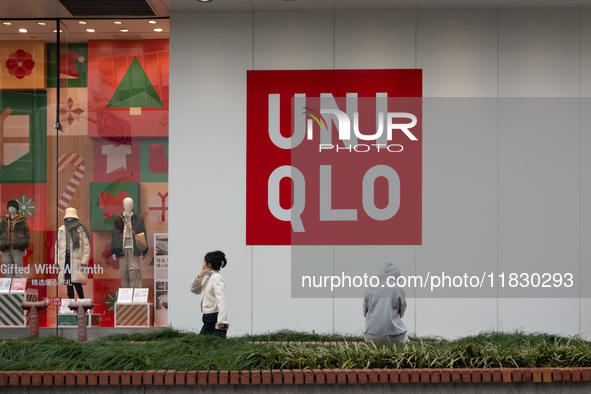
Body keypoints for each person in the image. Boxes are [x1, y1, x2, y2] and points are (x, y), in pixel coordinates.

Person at [363, 262, 409, 344]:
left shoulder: (369, 288)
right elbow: (401, 311)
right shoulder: (398, 289)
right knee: (404, 339)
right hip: (395, 337)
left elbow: (365, 312)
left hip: (370, 336)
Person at [110, 197, 147, 288]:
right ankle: (126, 296)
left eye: (130, 203)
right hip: (122, 250)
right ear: (123, 205)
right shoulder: (118, 220)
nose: (128, 205)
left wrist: (144, 250)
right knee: (124, 272)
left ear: (132, 205)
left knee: (135, 271)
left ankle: (136, 297)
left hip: (134, 249)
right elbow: (115, 236)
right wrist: (114, 251)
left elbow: (142, 234)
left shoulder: (138, 219)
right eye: (126, 203)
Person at [190, 250, 229, 337]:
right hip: (209, 316)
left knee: (204, 341)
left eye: (204, 262)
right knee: (215, 342)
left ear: (209, 265)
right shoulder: (209, 278)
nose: (202, 265)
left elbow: (221, 299)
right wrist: (199, 276)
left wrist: (222, 320)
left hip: (213, 316)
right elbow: (194, 290)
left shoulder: (216, 278)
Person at [56, 207, 90, 299]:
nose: (69, 218)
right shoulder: (62, 229)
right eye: (68, 216)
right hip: (65, 258)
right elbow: (58, 247)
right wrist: (57, 261)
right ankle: (70, 302)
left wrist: (84, 261)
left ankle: (82, 301)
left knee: (76, 282)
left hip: (76, 259)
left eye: (71, 216)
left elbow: (86, 246)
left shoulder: (81, 229)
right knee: (68, 282)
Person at [0, 200, 30, 278]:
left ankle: (18, 287)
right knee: (8, 270)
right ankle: (9, 288)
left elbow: (27, 235)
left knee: (19, 270)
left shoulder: (22, 221)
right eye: (9, 207)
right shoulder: (3, 221)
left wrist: (25, 247)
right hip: (5, 248)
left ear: (16, 208)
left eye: (12, 207)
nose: (10, 209)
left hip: (18, 248)